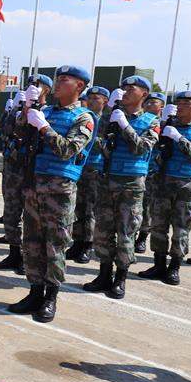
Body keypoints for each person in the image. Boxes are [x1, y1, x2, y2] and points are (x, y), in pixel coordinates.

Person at [8, 65, 96, 322]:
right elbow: (19, 133)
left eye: (65, 80)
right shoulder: (44, 111)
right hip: (34, 185)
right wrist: (27, 109)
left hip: (59, 190)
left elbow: (68, 150)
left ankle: (50, 297)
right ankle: (34, 291)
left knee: (55, 245)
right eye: (58, 79)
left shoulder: (84, 118)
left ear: (79, 86)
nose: (58, 83)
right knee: (32, 243)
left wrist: (44, 127)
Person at [82, 75, 159, 299]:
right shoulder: (113, 116)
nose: (125, 92)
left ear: (144, 94)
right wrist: (108, 113)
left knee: (126, 232)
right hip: (106, 179)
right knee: (103, 230)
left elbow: (141, 148)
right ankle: (104, 274)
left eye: (131, 89)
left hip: (131, 184)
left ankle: (120, 278)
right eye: (123, 88)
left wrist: (125, 126)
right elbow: (97, 140)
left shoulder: (152, 122)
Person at [137, 90, 191, 285]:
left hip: (187, 184)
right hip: (163, 180)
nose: (181, 106)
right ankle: (159, 264)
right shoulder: (167, 126)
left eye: (187, 103)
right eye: (179, 102)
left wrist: (179, 138)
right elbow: (153, 150)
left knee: (181, 227)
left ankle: (174, 267)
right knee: (159, 224)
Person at [0, 74, 52, 272]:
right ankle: (14, 253)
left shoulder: (49, 112)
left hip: (34, 170)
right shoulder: (21, 108)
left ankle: (28, 259)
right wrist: (18, 109)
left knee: (31, 218)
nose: (30, 89)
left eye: (36, 86)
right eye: (28, 86)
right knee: (11, 212)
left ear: (46, 90)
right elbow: (7, 129)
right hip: (14, 167)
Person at [69, 86, 110, 264]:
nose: (91, 101)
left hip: (96, 168)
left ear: (105, 101)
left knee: (90, 209)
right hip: (80, 167)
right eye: (90, 98)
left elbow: (107, 145)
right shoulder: (82, 117)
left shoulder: (108, 120)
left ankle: (88, 245)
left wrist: (89, 136)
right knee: (78, 207)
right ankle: (77, 241)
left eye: (96, 98)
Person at [134, 91, 166, 253]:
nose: (149, 104)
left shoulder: (165, 125)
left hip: (154, 171)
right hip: (139, 169)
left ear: (162, 106)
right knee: (135, 206)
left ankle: (142, 237)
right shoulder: (140, 121)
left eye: (154, 102)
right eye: (147, 102)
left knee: (147, 206)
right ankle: (132, 234)